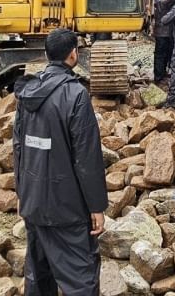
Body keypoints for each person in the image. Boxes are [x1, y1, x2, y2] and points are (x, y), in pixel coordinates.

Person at [14, 28, 109, 296]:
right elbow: (87, 158)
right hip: (66, 207)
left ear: (46, 54)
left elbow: (19, 146)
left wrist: (22, 191)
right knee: (80, 277)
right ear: (73, 55)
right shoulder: (76, 95)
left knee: (38, 274)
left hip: (34, 201)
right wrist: (97, 207)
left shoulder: (28, 92)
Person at [151, 0, 174, 83]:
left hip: (165, 34)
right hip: (162, 35)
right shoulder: (162, 2)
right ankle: (158, 77)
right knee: (160, 55)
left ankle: (162, 74)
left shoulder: (162, 2)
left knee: (165, 55)